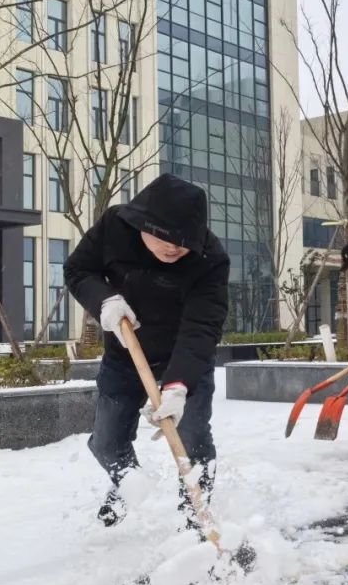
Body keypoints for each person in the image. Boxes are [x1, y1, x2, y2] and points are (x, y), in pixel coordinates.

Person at [65, 174, 229, 527]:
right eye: (166, 238)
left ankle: (196, 519)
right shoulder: (115, 226)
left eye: (184, 243)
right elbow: (78, 270)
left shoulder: (210, 257)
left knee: (193, 437)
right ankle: (126, 482)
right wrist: (103, 300)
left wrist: (178, 384)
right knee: (107, 441)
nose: (174, 248)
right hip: (126, 354)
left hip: (182, 357)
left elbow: (202, 326)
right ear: (142, 223)